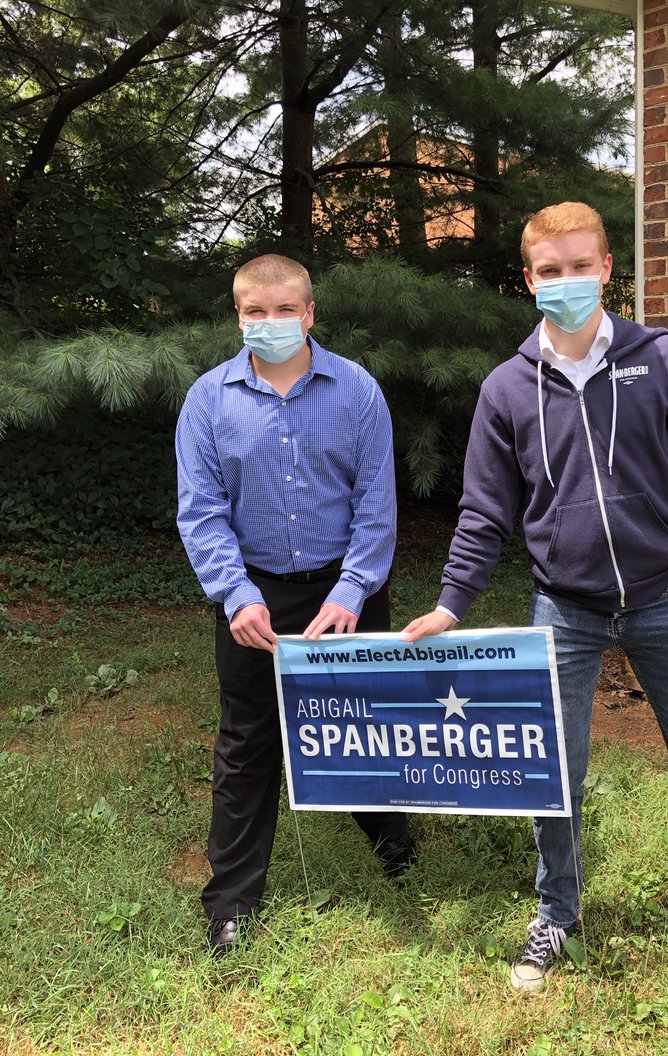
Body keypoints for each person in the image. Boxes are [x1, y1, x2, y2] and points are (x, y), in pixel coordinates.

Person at [403, 202, 668, 989]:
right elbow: (485, 510)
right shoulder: (507, 389)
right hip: (565, 607)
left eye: (580, 266)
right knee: (557, 771)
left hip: (661, 598)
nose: (567, 282)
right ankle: (557, 914)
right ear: (529, 280)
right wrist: (453, 602)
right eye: (550, 271)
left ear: (606, 270)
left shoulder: (662, 360)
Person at [176, 253, 415, 957]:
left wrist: (352, 590)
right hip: (253, 593)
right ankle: (231, 901)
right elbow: (200, 508)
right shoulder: (207, 401)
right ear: (239, 316)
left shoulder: (358, 392)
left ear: (309, 313)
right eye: (256, 311)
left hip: (347, 589)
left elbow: (377, 503)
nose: (271, 323)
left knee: (364, 724)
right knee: (248, 743)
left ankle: (391, 836)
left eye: (286, 310)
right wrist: (233, 594)